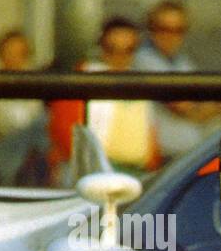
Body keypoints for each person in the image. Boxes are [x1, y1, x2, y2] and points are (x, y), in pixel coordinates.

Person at [49, 18, 160, 176]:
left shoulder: (140, 81)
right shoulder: (84, 77)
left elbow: (151, 136)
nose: (119, 56)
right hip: (96, 175)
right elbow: (65, 133)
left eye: (128, 49)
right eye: (111, 48)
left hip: (138, 175)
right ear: (101, 47)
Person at [132, 0, 209, 158]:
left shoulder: (182, 62)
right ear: (151, 29)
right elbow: (181, 106)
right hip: (160, 157)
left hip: (186, 155)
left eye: (178, 30)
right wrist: (216, 106)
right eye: (163, 29)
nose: (170, 36)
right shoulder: (143, 59)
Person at [0, 30, 47, 186]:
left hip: (32, 169)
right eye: (9, 53)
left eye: (21, 54)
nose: (14, 60)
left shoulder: (38, 89)